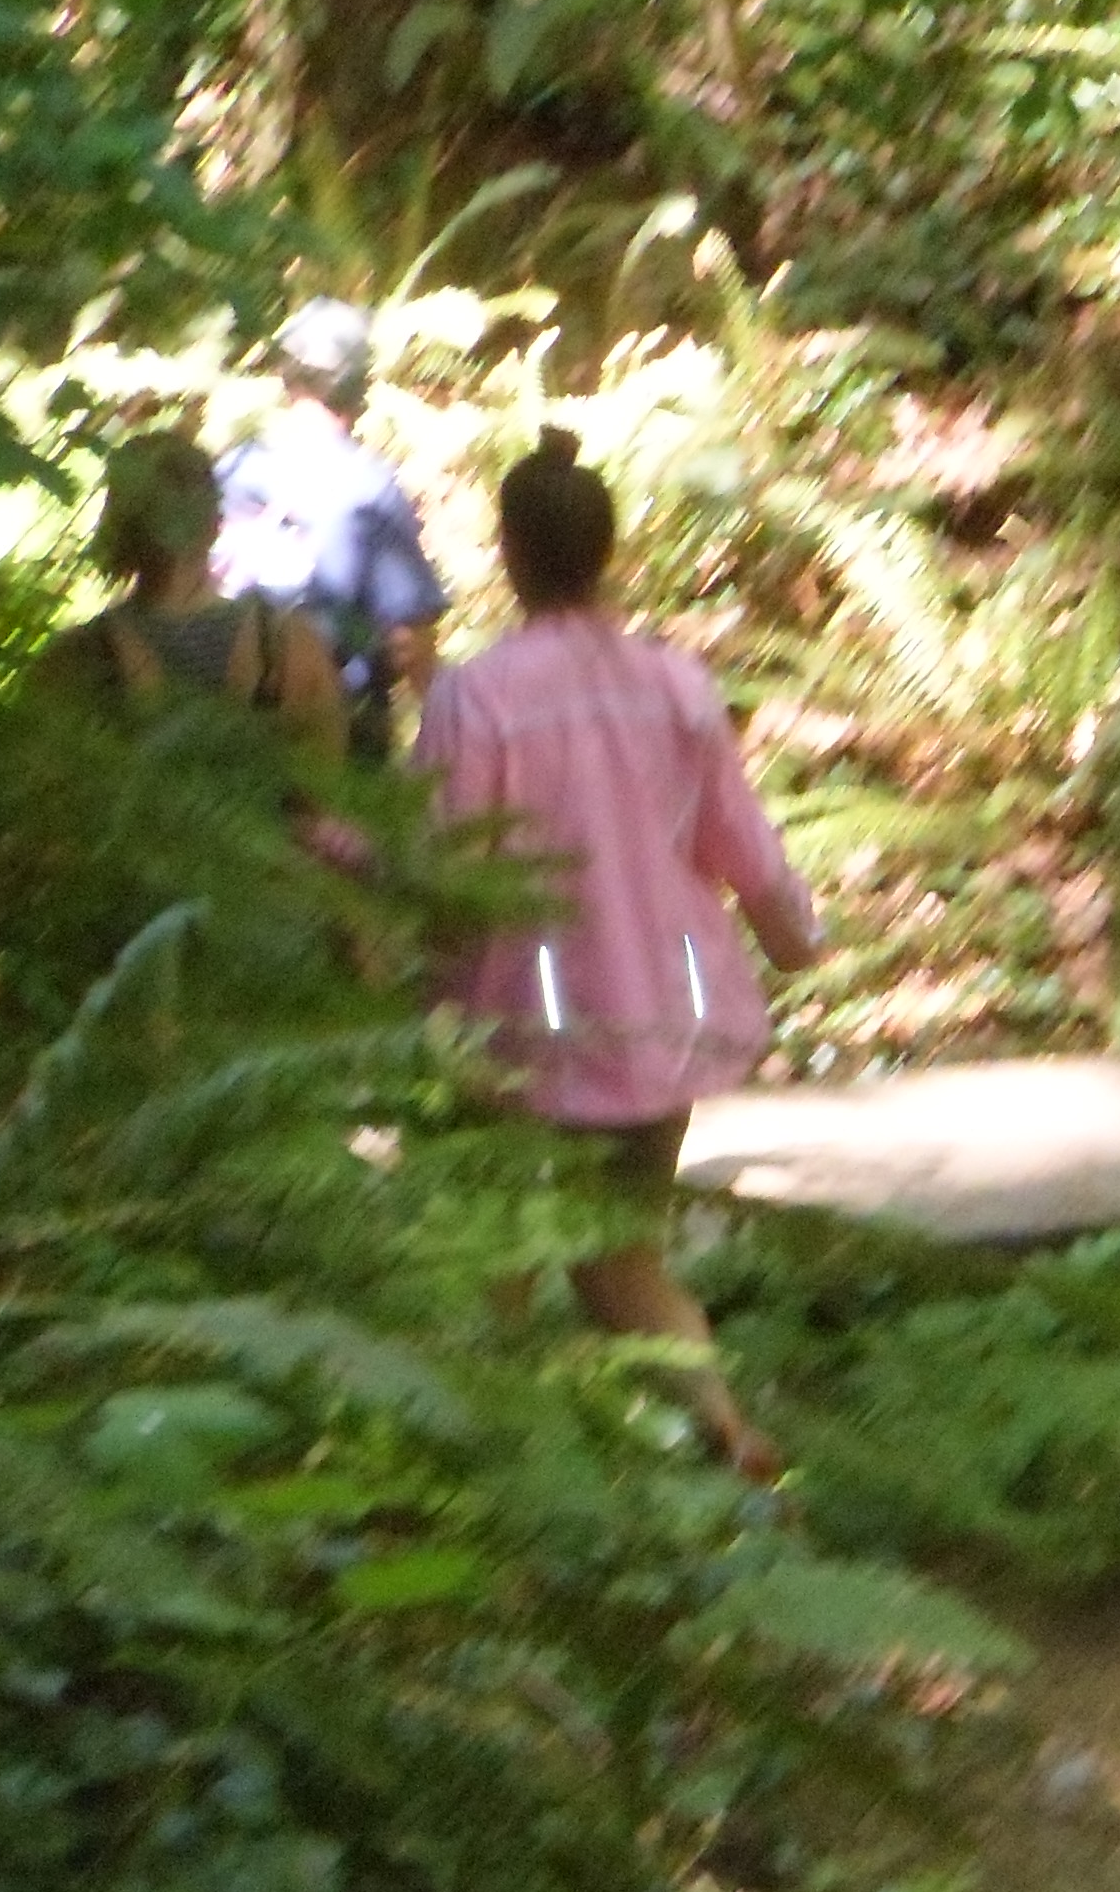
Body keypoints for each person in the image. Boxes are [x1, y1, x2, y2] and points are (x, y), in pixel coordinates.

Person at [413, 428, 816, 1477]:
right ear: (610, 551)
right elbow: (740, 841)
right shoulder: (676, 686)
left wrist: (410, 959)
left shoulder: (476, 699)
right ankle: (722, 1427)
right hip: (658, 1017)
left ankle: (480, 1466)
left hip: (522, 1022)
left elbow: (450, 864)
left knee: (497, 1251)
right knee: (619, 1250)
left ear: (508, 553)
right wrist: (793, 939)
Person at [218, 298, 446, 762]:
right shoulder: (369, 486)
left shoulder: (232, 472)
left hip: (227, 740)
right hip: (342, 745)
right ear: (356, 386)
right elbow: (410, 642)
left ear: (287, 377)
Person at [59, 427, 350, 758]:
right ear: (215, 522)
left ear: (118, 524)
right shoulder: (289, 646)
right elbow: (326, 778)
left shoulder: (78, 659)